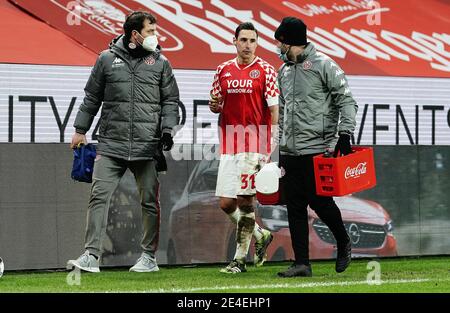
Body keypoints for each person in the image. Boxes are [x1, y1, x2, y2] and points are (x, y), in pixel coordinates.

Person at [67, 11, 180, 273]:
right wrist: (80, 130)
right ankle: (91, 256)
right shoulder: (106, 59)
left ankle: (148, 258)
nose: (156, 36)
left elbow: (170, 101)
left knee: (150, 202)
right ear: (135, 35)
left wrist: (167, 131)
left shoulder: (161, 62)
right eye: (151, 31)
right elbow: (91, 97)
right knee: (98, 197)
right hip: (111, 144)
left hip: (146, 145)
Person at [274, 17, 358, 277]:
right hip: (290, 151)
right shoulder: (284, 71)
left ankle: (343, 241)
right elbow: (283, 110)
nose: (278, 46)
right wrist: (280, 143)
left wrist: (345, 134)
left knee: (320, 203)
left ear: (290, 41)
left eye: (281, 42)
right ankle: (302, 264)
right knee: (295, 206)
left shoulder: (324, 64)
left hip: (317, 148)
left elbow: (347, 101)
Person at [209, 22, 279, 274]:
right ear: (234, 41)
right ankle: (261, 235)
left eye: (252, 40)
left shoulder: (266, 70)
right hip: (230, 143)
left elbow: (273, 110)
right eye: (243, 40)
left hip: (255, 143)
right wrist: (214, 105)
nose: (248, 45)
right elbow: (215, 103)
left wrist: (270, 143)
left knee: (246, 201)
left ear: (257, 43)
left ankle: (238, 261)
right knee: (227, 203)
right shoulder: (223, 70)